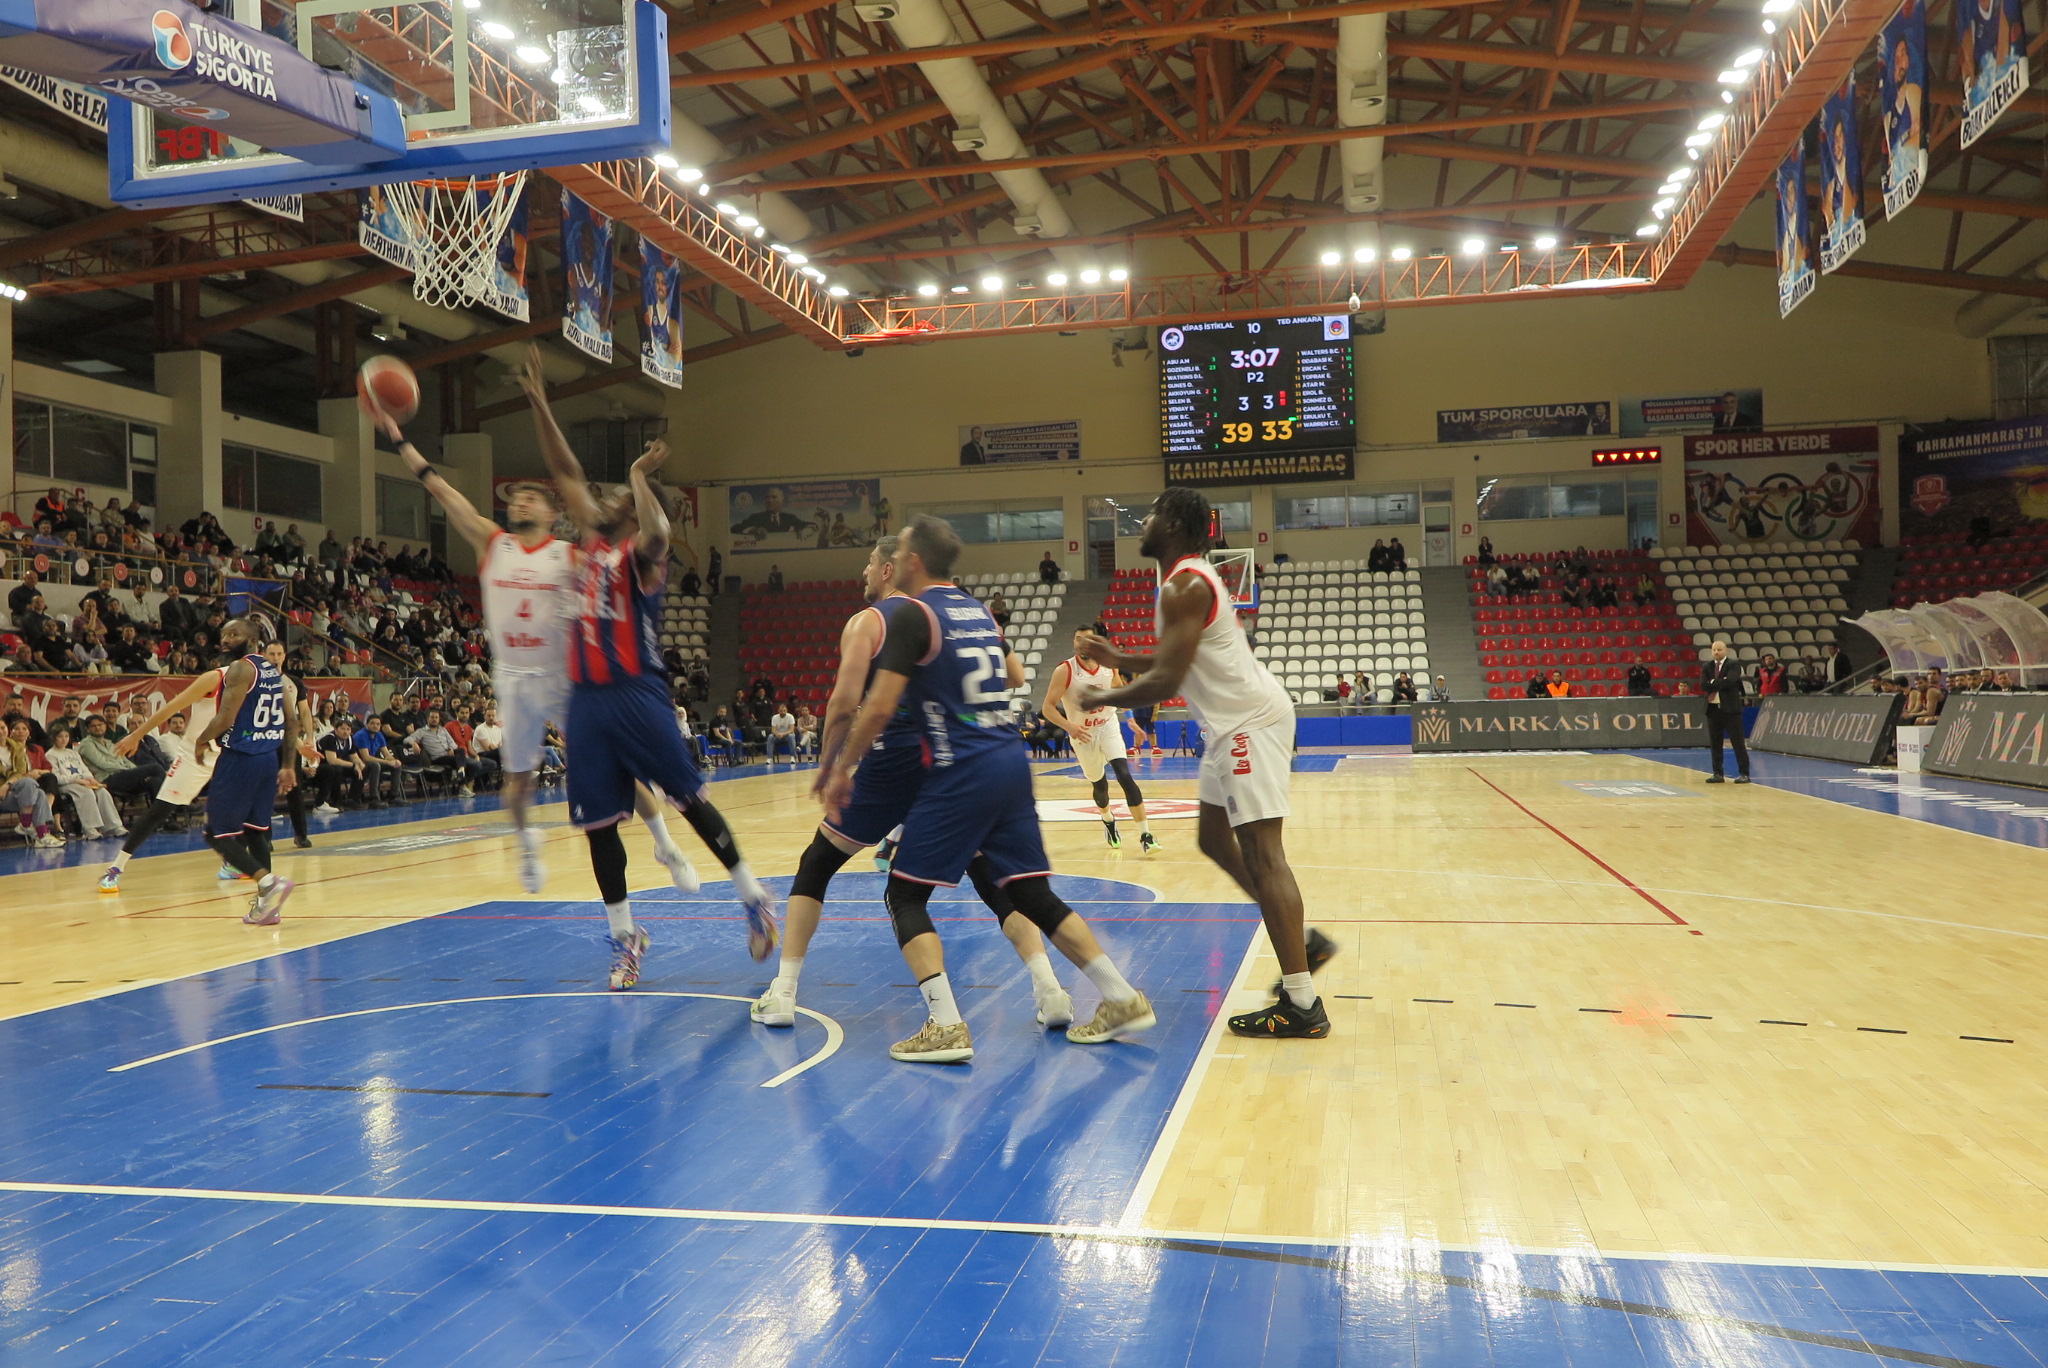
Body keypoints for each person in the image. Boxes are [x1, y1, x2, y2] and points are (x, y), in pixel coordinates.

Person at [819, 518, 1153, 1061]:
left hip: (961, 770)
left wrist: (839, 767)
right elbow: (1013, 677)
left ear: (913, 561)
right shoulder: (978, 611)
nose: (892, 561)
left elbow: (875, 707)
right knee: (1031, 894)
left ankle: (946, 1026)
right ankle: (1120, 996)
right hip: (1009, 762)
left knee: (904, 894)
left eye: (900, 553)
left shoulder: (914, 615)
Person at [753, 534, 1084, 1039]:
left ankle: (783, 991)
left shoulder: (870, 621)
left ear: (890, 569)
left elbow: (842, 704)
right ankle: (1051, 990)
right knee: (993, 880)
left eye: (869, 563)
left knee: (817, 863)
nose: (864, 572)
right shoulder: (948, 615)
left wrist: (831, 765)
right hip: (950, 762)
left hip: (892, 763)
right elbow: (1013, 675)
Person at [521, 346, 776, 990]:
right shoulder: (591, 541)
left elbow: (659, 530)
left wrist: (638, 474)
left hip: (637, 692)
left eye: (619, 496)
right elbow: (565, 469)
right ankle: (625, 937)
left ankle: (752, 897)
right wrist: (539, 402)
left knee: (688, 798)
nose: (603, 497)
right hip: (587, 701)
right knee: (598, 827)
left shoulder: (642, 555)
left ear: (633, 510)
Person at [375, 401, 694, 897]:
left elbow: (620, 583)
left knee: (620, 765)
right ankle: (527, 844)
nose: (521, 504)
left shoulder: (571, 556)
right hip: (512, 676)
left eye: (532, 498)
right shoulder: (493, 542)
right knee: (518, 782)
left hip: (564, 676)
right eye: (516, 499)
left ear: (552, 513)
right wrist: (398, 436)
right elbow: (440, 489)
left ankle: (665, 844)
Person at [1073, 488, 1335, 1040]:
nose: (1142, 522)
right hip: (1229, 727)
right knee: (1214, 840)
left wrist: (1102, 698)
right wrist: (1119, 659)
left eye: (1150, 514)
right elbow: (1179, 657)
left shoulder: (1186, 585)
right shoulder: (1182, 581)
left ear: (1171, 524)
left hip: (1248, 723)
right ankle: (1302, 939)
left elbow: (1167, 681)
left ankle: (1302, 1002)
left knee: (1263, 854)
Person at [187, 615, 298, 923]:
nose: (225, 639)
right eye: (223, 634)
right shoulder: (273, 671)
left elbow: (225, 718)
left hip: (240, 758)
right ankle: (267, 908)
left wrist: (201, 740)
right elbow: (291, 722)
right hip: (268, 759)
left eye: (233, 634)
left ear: (251, 640)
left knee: (216, 834)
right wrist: (288, 765)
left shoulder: (240, 668)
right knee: (256, 832)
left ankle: (268, 882)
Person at [1043, 630, 1157, 853]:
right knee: (1100, 786)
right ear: (1074, 643)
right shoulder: (1065, 670)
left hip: (1107, 725)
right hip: (1083, 734)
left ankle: (1146, 835)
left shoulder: (1109, 665)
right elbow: (1048, 708)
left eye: (1088, 638)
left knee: (1124, 775)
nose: (1083, 643)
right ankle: (1108, 819)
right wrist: (1069, 727)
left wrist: (1130, 720)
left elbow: (1119, 691)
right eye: (1078, 638)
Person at [46, 725, 125, 840]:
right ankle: (90, 828)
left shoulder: (73, 753)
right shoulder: (50, 755)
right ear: (54, 738)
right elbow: (56, 777)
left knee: (102, 792)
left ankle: (114, 826)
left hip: (82, 781)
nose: (64, 739)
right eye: (60, 737)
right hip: (66, 784)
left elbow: (84, 769)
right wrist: (77, 780)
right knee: (86, 793)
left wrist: (90, 778)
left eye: (66, 736)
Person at [2, 720, 63, 847]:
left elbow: (20, 772)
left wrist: (6, 785)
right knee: (34, 788)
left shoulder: (16, 748)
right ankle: (37, 831)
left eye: (2, 728)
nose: (0, 731)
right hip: (4, 795)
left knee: (37, 790)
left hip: (12, 788)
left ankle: (35, 831)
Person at [1701, 639, 1751, 784]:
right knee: (1715, 743)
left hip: (1730, 710)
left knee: (1738, 742)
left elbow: (1730, 681)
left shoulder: (1733, 664)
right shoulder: (1707, 666)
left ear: (1726, 650)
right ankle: (1717, 773)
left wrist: (1713, 682)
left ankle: (1744, 773)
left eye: (1719, 649)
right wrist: (1719, 682)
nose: (1716, 652)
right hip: (1712, 709)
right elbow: (1703, 685)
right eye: (1714, 650)